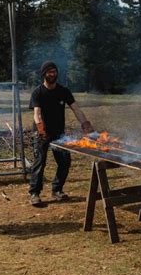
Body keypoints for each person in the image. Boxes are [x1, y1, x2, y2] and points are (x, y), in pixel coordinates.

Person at [28, 61, 94, 206]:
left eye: (54, 71)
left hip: (59, 133)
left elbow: (76, 109)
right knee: (40, 162)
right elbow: (37, 114)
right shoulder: (38, 92)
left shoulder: (63, 91)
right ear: (44, 74)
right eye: (49, 72)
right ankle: (34, 193)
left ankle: (57, 190)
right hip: (41, 133)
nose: (53, 74)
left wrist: (85, 124)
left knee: (64, 161)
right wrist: (41, 130)